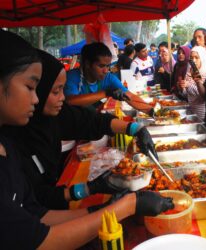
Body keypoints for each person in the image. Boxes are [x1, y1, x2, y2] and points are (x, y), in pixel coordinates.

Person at [0, 29, 173, 250]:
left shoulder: (9, 145)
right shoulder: (18, 139)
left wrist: (135, 128)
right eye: (30, 87)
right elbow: (40, 240)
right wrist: (126, 207)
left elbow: (37, 212)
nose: (34, 98)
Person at [5, 49, 159, 210]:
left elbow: (91, 121)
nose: (62, 98)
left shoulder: (53, 116)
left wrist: (135, 127)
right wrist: (112, 210)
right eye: (56, 91)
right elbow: (35, 218)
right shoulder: (12, 146)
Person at [64, 42, 154, 115]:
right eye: (101, 66)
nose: (106, 70)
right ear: (87, 64)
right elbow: (70, 101)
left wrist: (152, 111)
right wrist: (106, 93)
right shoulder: (72, 77)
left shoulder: (108, 77)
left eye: (108, 66)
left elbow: (129, 96)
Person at [178, 46, 206, 120]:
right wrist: (181, 87)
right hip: (191, 110)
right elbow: (186, 94)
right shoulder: (190, 71)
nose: (193, 60)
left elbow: (203, 95)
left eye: (196, 57)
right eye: (191, 58)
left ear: (202, 59)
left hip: (202, 112)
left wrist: (188, 85)